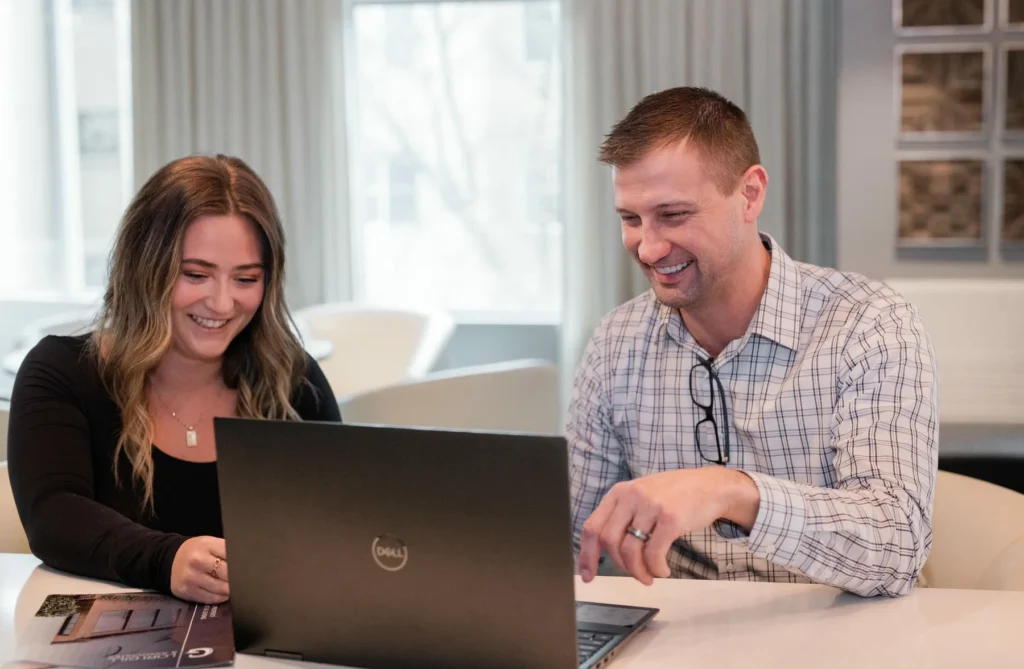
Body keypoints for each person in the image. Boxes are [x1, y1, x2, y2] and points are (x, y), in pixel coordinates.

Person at [568, 87, 938, 598]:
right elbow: (567, 539)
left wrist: (728, 490)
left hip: (843, 633)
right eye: (631, 219)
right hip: (684, 637)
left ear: (750, 194)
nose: (649, 248)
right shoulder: (616, 341)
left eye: (673, 215)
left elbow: (897, 546)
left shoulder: (869, 324)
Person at [8, 155, 341, 604]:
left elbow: (344, 523)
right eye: (196, 274)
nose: (222, 303)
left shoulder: (293, 379)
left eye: (245, 279)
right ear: (145, 268)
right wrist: (169, 560)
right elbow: (53, 516)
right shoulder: (62, 373)